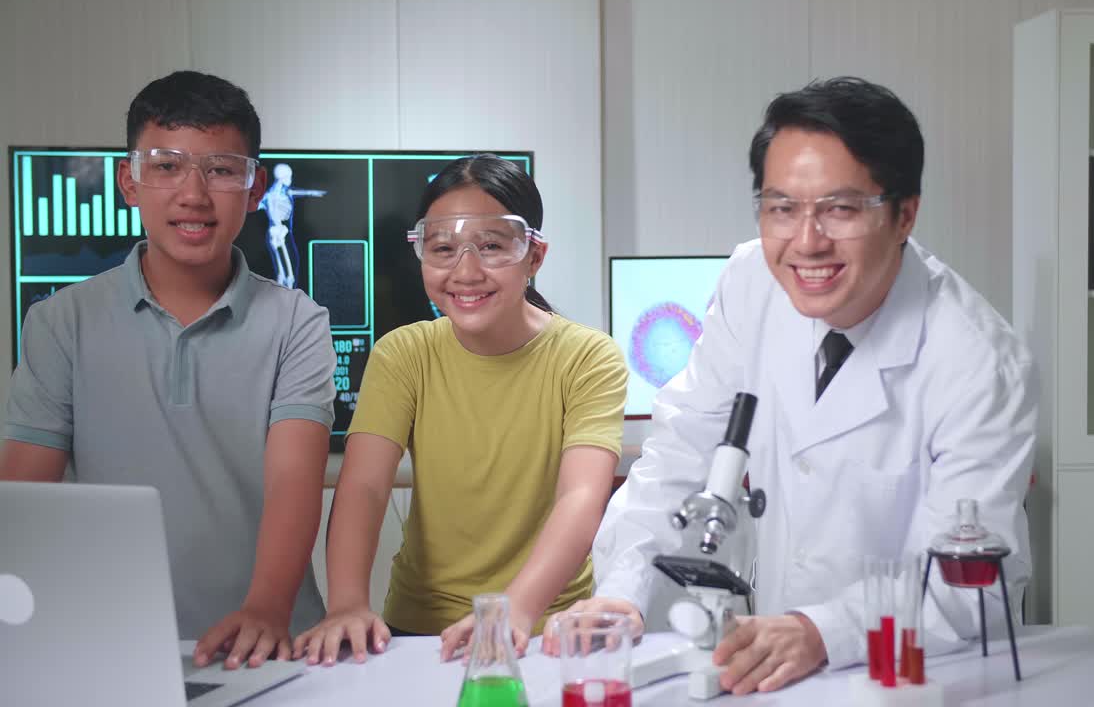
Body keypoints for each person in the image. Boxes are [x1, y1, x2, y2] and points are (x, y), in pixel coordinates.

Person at [550, 77, 1037, 695]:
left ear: (904, 213)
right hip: (775, 666)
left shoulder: (978, 363)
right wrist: (624, 591)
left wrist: (821, 630)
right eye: (782, 207)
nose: (806, 242)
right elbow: (681, 451)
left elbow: (968, 586)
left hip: (922, 672)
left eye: (840, 208)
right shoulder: (751, 279)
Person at [0, 71, 336, 669]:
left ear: (255, 187)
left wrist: (265, 609)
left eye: (221, 169)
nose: (193, 193)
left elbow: (294, 481)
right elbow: (23, 497)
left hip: (268, 645)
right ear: (129, 181)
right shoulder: (59, 322)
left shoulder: (298, 322)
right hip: (109, 645)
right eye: (166, 166)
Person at [293, 154, 628, 666]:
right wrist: (347, 604)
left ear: (534, 255)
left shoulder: (587, 356)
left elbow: (581, 496)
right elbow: (363, 485)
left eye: (492, 246)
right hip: (423, 630)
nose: (465, 271)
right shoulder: (403, 353)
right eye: (443, 249)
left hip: (544, 630)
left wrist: (515, 610)